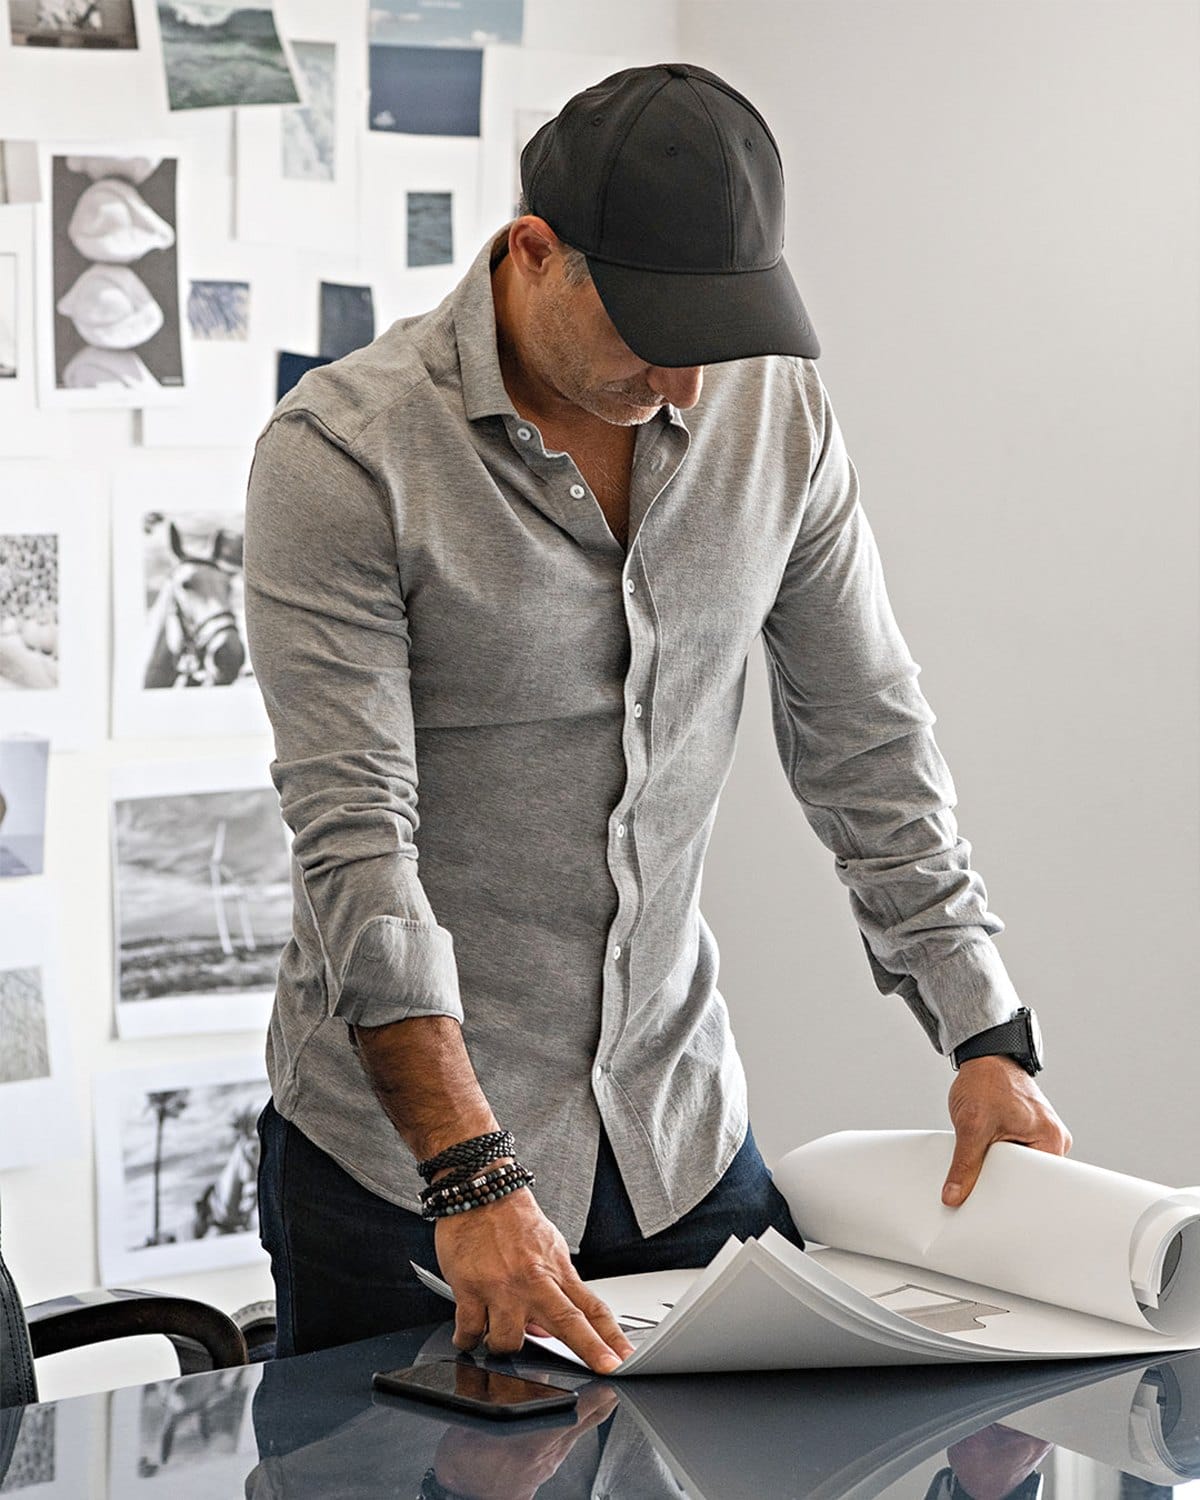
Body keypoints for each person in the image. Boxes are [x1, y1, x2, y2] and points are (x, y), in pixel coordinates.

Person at [244, 62, 1070, 1374]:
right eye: (651, 333)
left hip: (675, 1138)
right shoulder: (346, 455)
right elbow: (357, 843)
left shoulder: (777, 412)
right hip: (408, 1176)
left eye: (716, 334)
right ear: (534, 255)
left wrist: (987, 1035)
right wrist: (469, 1177)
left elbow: (867, 739)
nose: (687, 383)